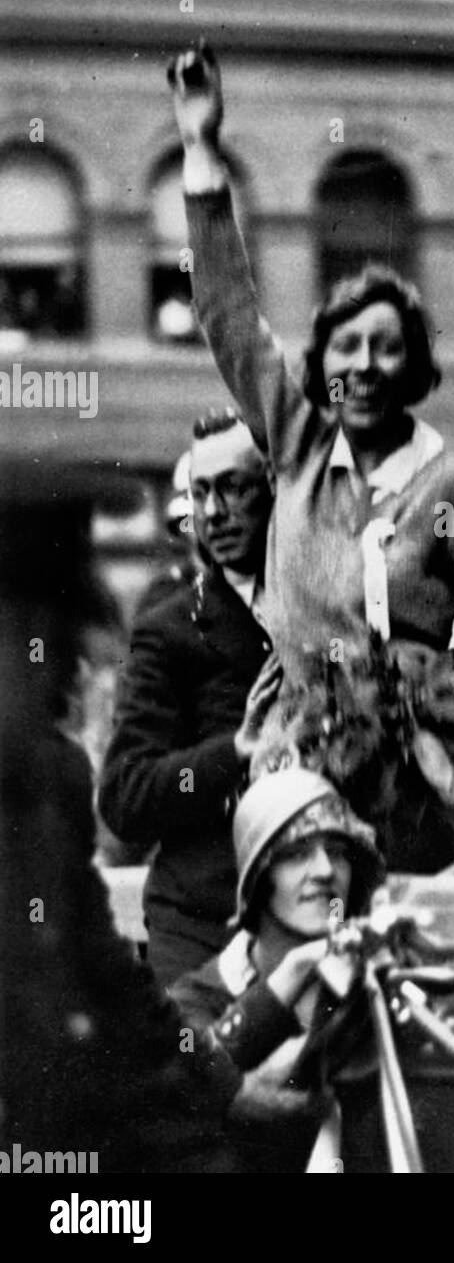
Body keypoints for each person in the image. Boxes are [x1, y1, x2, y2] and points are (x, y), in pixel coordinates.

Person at [166, 41, 454, 870]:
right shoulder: (300, 447)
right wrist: (201, 149)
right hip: (299, 762)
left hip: (417, 780)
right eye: (346, 347)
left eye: (386, 348)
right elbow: (228, 315)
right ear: (321, 364)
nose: (364, 366)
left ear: (413, 366)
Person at [0, 457, 239, 1173]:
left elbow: (119, 994)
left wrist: (223, 1088)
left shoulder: (47, 784)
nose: (69, 675)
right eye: (42, 642)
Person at [98, 409, 273, 985]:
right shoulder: (170, 625)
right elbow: (125, 795)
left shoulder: (328, 611)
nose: (215, 512)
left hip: (316, 921)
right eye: (201, 493)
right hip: (204, 929)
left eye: (233, 488)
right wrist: (236, 753)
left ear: (275, 489)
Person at [170, 768, 385, 1173]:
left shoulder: (375, 982)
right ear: (258, 877)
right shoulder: (196, 999)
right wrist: (288, 978)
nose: (324, 870)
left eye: (337, 851)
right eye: (296, 853)